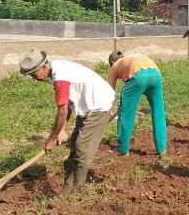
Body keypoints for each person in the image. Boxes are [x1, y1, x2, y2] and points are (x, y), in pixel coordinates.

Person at [19, 49, 116, 193]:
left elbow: (62, 110)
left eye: (34, 74)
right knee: (74, 147)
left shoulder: (60, 78)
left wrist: (52, 138)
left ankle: (75, 193)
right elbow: (69, 105)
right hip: (87, 106)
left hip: (98, 105)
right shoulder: (57, 69)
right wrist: (61, 130)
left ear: (44, 67)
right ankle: (68, 187)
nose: (34, 78)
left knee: (82, 148)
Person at [107, 51, 168, 156]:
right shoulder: (129, 59)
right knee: (158, 111)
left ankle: (123, 149)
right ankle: (161, 149)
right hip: (155, 74)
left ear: (112, 62)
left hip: (138, 76)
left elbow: (110, 92)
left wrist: (105, 113)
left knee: (126, 114)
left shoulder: (114, 66)